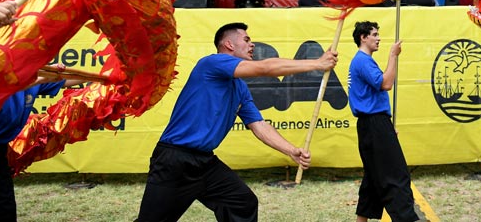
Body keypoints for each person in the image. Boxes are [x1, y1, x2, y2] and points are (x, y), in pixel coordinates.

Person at [136, 22, 338, 222]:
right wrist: (317, 64)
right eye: (246, 40)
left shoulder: (240, 87)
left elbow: (258, 125)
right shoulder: (212, 63)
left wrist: (291, 150)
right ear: (229, 45)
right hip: (175, 160)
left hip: (204, 162)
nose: (252, 45)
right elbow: (264, 68)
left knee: (242, 202)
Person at [0, 52, 83, 221]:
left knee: (0, 209)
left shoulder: (34, 74)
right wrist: (41, 78)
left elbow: (66, 80)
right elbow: (5, 89)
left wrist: (104, 78)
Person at [348, 21, 418, 222]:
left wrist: (386, 126)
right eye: (375, 34)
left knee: (373, 178)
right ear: (363, 37)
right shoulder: (363, 61)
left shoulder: (362, 61)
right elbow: (386, 83)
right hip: (374, 124)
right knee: (396, 176)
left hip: (374, 124)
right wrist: (393, 55)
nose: (378, 38)